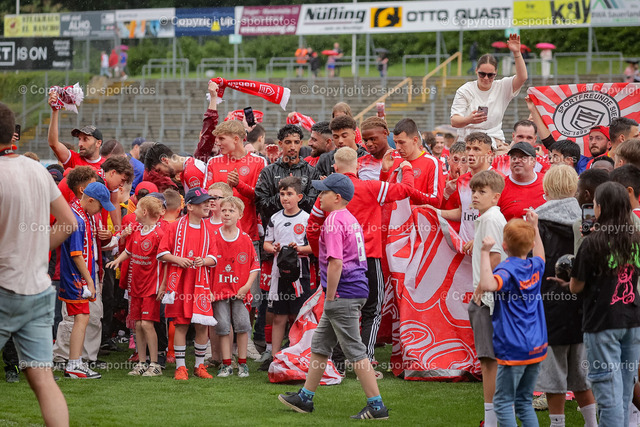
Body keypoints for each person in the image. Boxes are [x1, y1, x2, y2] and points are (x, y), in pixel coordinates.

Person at [278, 173, 389, 420]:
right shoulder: (349, 217)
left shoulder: (333, 221)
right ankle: (305, 397)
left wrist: (329, 297)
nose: (319, 197)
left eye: (324, 192)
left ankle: (377, 406)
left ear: (337, 197)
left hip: (342, 293)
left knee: (355, 351)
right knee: (320, 345)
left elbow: (336, 262)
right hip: (353, 290)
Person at [0, 101, 74, 425]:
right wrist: (34, 249)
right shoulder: (37, 170)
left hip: (4, 286)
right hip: (38, 288)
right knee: (42, 378)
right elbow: (68, 222)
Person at [561, 182, 640, 427]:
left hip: (602, 322)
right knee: (625, 389)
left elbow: (576, 286)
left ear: (601, 208)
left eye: (594, 204)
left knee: (608, 392)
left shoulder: (592, 242)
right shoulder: (636, 238)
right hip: (632, 321)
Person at [535, 165, 597, 427]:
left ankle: (557, 423)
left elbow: (532, 266)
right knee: (582, 373)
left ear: (546, 188)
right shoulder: (589, 218)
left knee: (553, 375)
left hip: (549, 306)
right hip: (584, 305)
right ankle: (592, 423)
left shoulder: (535, 220)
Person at [479, 214, 546, 427]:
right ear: (531, 244)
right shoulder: (535, 266)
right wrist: (535, 227)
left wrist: (484, 251)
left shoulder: (506, 270)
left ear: (504, 245)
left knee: (502, 403)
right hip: (537, 345)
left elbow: (488, 285)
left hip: (514, 347)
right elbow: (541, 255)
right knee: (524, 402)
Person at [158, 187, 218, 381]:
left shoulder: (209, 229)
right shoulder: (174, 227)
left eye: (208, 202)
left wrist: (204, 261)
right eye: (203, 203)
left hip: (201, 283)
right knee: (181, 324)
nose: (207, 205)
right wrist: (178, 259)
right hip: (180, 283)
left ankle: (199, 365)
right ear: (190, 206)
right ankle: (180, 367)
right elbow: (162, 253)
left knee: (201, 325)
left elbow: (214, 257)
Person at [462, 170, 507, 427]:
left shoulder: (490, 219)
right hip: (492, 296)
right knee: (490, 359)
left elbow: (496, 257)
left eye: (482, 192)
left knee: (488, 360)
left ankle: (492, 419)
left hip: (489, 299)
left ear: (496, 196)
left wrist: (480, 290)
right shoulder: (490, 218)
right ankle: (494, 417)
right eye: (474, 191)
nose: (475, 196)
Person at [59, 181, 115, 379]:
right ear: (90, 200)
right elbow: (76, 254)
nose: (100, 210)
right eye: (100, 206)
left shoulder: (80, 214)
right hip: (76, 279)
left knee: (81, 317)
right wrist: (89, 281)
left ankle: (75, 363)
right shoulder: (78, 219)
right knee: (81, 318)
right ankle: (74, 364)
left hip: (76, 278)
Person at [106, 196, 165, 377]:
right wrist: (117, 261)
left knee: (147, 324)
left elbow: (165, 262)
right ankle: (141, 362)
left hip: (151, 287)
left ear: (145, 212)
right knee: (138, 324)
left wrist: (163, 286)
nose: (134, 211)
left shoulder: (159, 234)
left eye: (137, 208)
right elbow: (129, 251)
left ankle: (154, 364)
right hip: (135, 285)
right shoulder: (137, 230)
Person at [211, 196, 260, 378]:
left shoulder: (245, 239)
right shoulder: (213, 237)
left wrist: (247, 287)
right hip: (219, 292)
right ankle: (226, 364)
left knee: (242, 326)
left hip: (240, 292)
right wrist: (209, 289)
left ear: (240, 215)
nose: (226, 214)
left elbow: (254, 266)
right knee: (223, 327)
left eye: (231, 210)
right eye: (224, 210)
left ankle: (242, 363)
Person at [263, 177, 312, 359]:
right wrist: (273, 248)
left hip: (300, 274)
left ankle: (298, 355)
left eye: (289, 194)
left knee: (298, 316)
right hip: (279, 274)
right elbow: (266, 244)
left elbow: (314, 247)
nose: (285, 198)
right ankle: (275, 357)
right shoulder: (275, 218)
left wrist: (299, 249)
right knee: (279, 316)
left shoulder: (307, 219)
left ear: (299, 196)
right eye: (282, 194)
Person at [451, 34, 527, 145]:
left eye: (490, 75)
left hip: (494, 139)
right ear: (476, 70)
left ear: (496, 73)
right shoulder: (465, 90)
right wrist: (469, 119)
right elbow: (454, 121)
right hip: (467, 141)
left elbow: (522, 77)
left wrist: (517, 53)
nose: (486, 78)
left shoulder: (502, 86)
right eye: (482, 74)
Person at [255, 124, 320, 226]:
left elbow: (315, 206)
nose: (292, 147)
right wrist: (283, 193)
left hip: (303, 230)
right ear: (280, 144)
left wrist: (295, 193)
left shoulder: (311, 172)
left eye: (296, 142)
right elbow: (261, 205)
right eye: (288, 142)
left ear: (301, 144)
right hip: (275, 231)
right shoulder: (268, 172)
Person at [439, 132, 495, 248]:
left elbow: (502, 219)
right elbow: (462, 212)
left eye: (476, 149)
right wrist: (435, 211)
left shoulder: (499, 179)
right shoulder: (462, 180)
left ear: (489, 154)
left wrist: (480, 239)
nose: (470, 153)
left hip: (486, 247)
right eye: (468, 148)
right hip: (462, 247)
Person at [380, 118, 445, 208]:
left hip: (418, 216)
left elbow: (436, 201)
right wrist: (384, 172)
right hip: (395, 216)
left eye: (402, 142)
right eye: (395, 142)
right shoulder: (393, 160)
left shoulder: (431, 162)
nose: (397, 147)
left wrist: (408, 190)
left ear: (415, 140)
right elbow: (383, 197)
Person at [498, 142, 546, 221]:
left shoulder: (547, 183)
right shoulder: (500, 186)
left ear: (533, 161)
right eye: (513, 158)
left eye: (523, 157)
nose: (517, 161)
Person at [572, 168, 610, 253]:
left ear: (586, 195)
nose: (575, 196)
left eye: (578, 192)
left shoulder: (580, 224)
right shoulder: (629, 218)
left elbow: (580, 258)